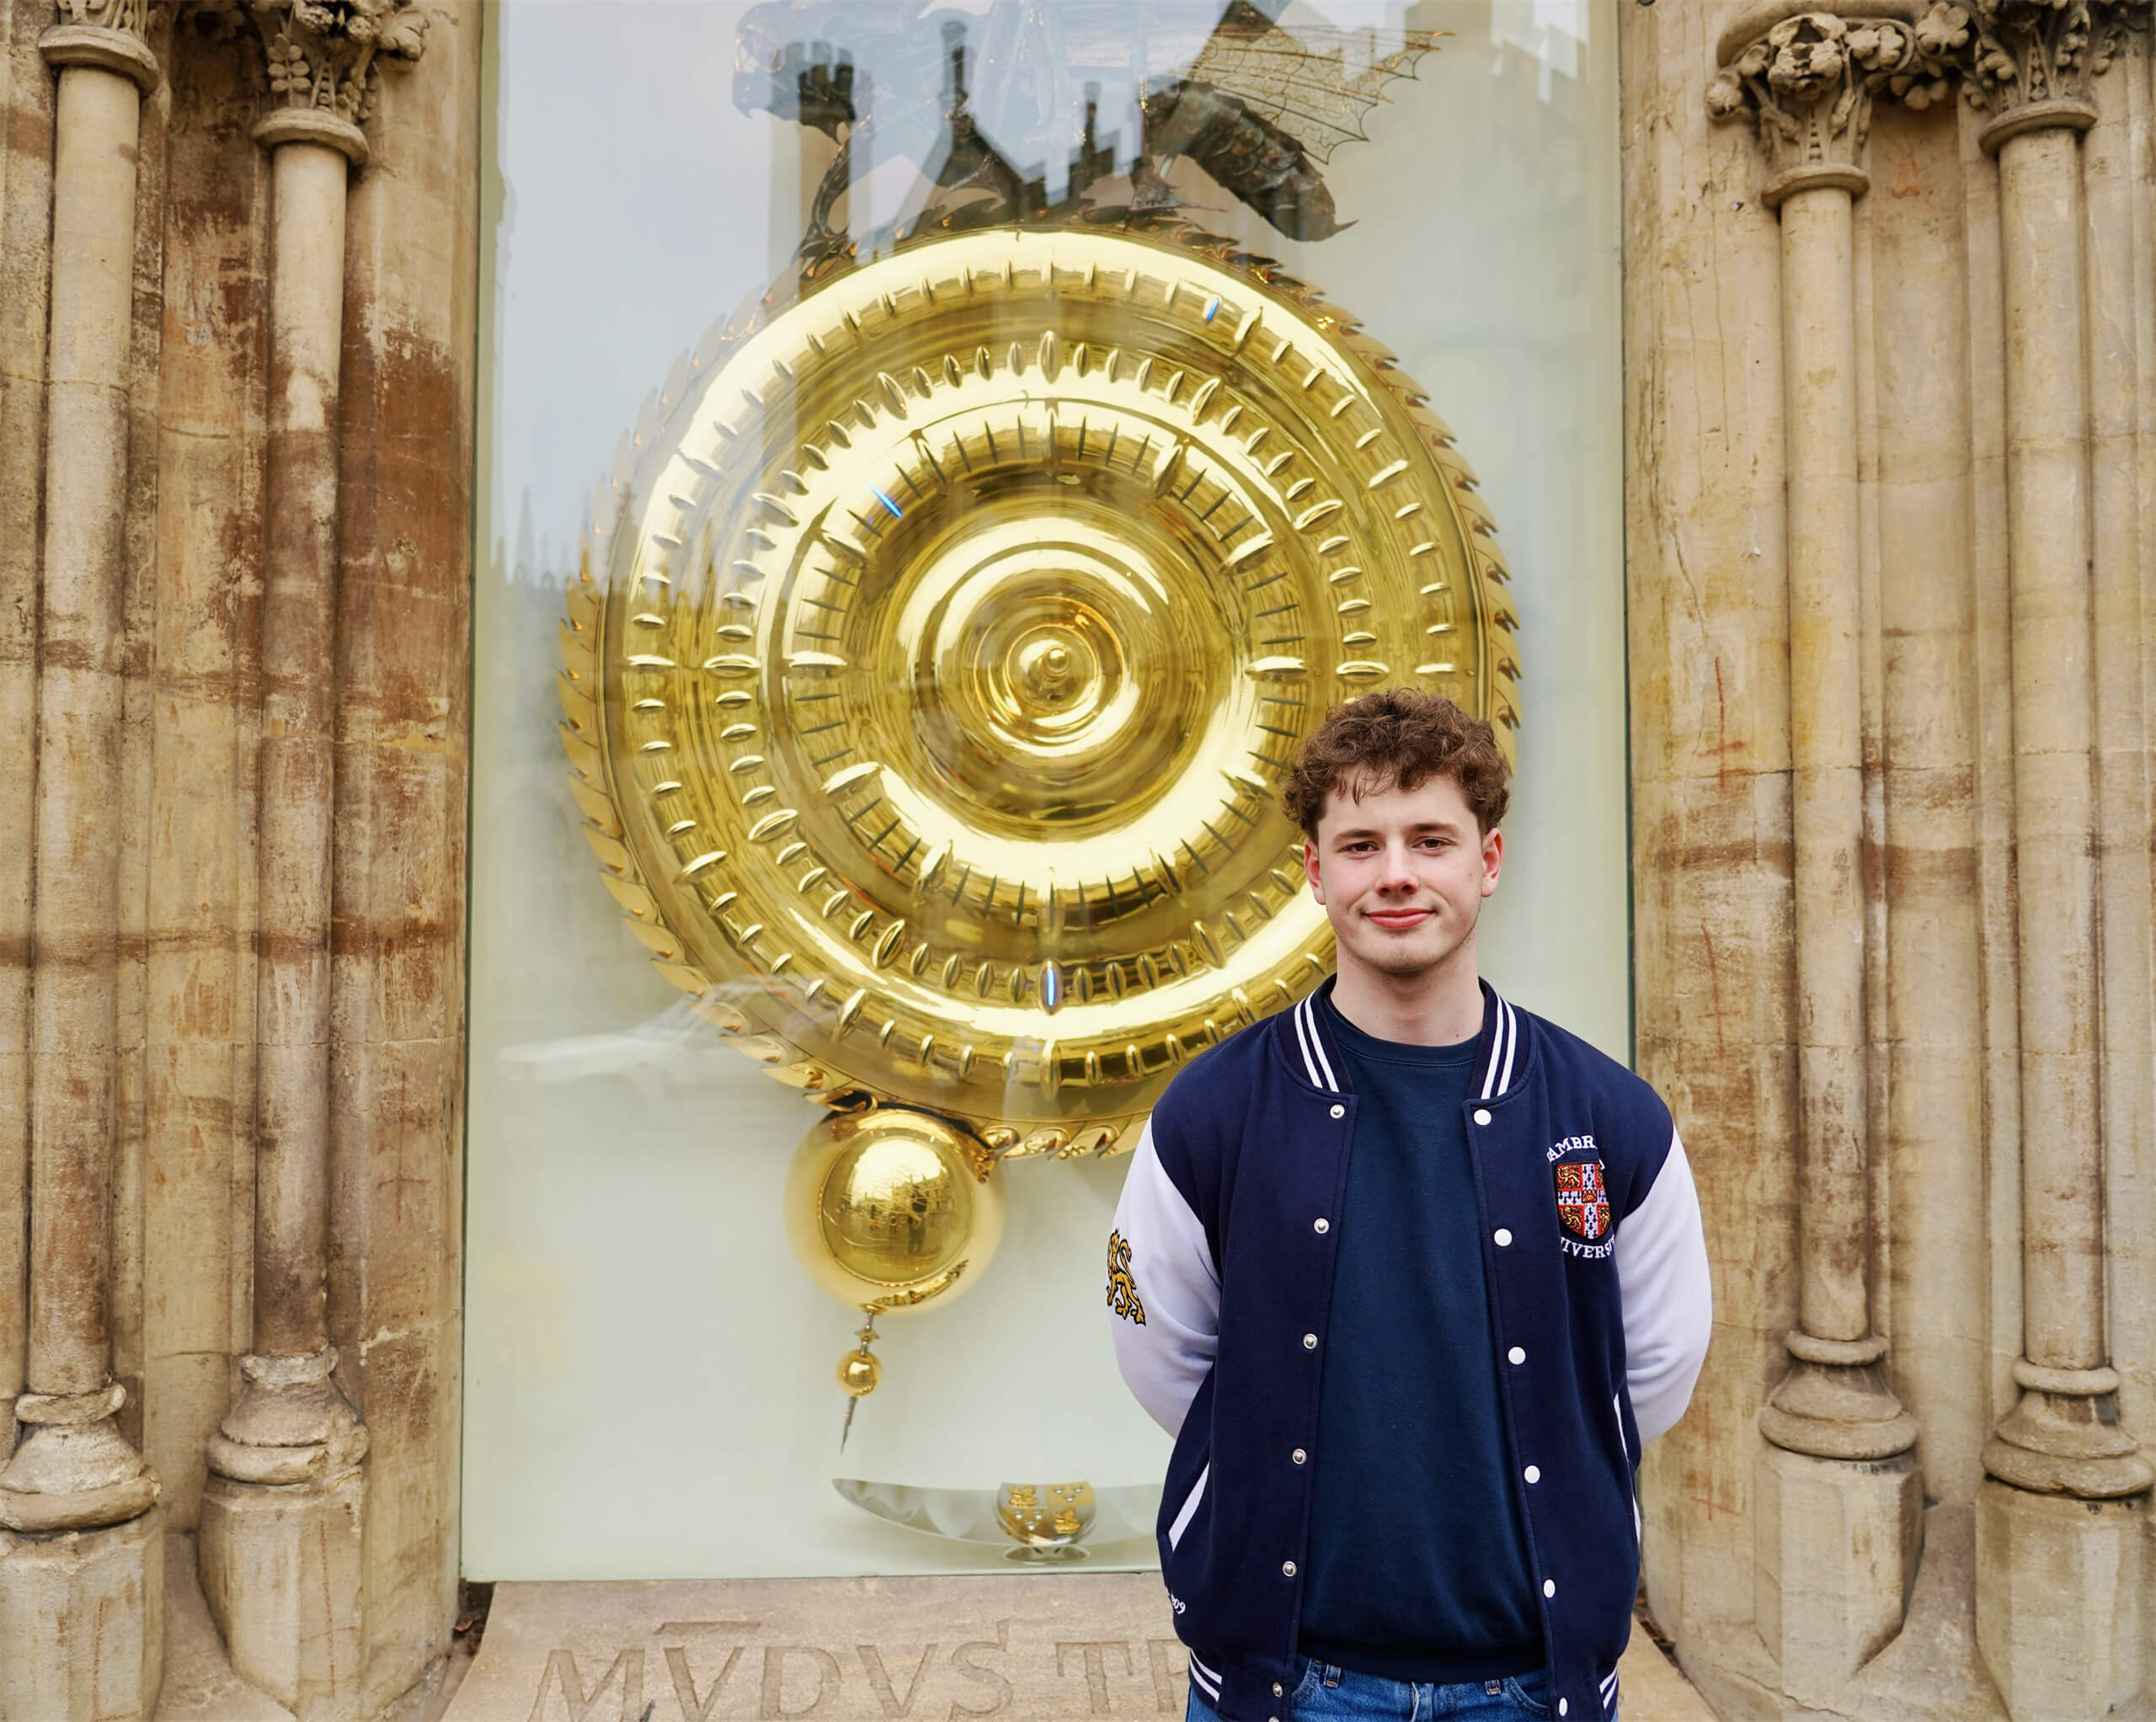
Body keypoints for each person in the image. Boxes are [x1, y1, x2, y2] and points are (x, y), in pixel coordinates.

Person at [1107, 689, 1711, 1722]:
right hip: (1285, 1682)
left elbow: (1648, 1367)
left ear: (1487, 859)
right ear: (1314, 872)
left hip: (1532, 1681)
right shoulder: (1212, 1112)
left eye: (1429, 838)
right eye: (1359, 843)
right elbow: (1161, 1349)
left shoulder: (1609, 1116)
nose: (1395, 873)